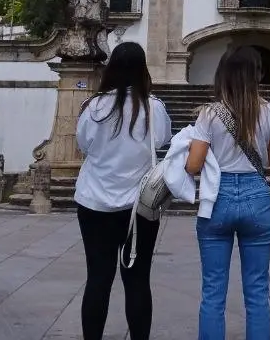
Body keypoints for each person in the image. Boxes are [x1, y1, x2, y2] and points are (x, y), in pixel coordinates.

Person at [73, 41, 172, 340]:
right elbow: (161, 141)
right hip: (139, 207)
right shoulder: (154, 108)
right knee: (138, 279)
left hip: (94, 203)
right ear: (143, 70)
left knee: (98, 278)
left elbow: (84, 145)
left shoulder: (93, 108)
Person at [185, 46, 270, 340]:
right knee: (257, 290)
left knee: (213, 290)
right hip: (256, 196)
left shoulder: (209, 114)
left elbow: (193, 165)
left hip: (218, 197)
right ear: (258, 75)